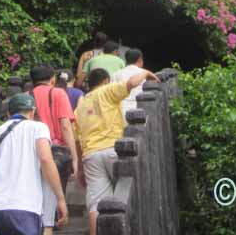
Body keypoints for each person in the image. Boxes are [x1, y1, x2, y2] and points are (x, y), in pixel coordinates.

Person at [74, 67, 160, 235]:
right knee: (127, 193)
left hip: (90, 156)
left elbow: (77, 141)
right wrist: (147, 73)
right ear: (106, 81)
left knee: (95, 205)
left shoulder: (79, 107)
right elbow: (132, 83)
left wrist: (80, 170)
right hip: (113, 150)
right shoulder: (107, 90)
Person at [0, 94, 68, 235]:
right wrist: (60, 199)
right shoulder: (38, 127)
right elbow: (45, 159)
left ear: (8, 113)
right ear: (33, 111)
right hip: (23, 207)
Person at [30, 65, 78, 235]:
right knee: (49, 208)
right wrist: (74, 156)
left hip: (30, 152)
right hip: (54, 153)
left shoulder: (27, 96)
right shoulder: (58, 93)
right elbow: (65, 125)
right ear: (52, 79)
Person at [110, 48, 148, 125]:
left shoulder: (116, 74)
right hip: (139, 111)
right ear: (140, 59)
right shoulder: (143, 74)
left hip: (120, 111)